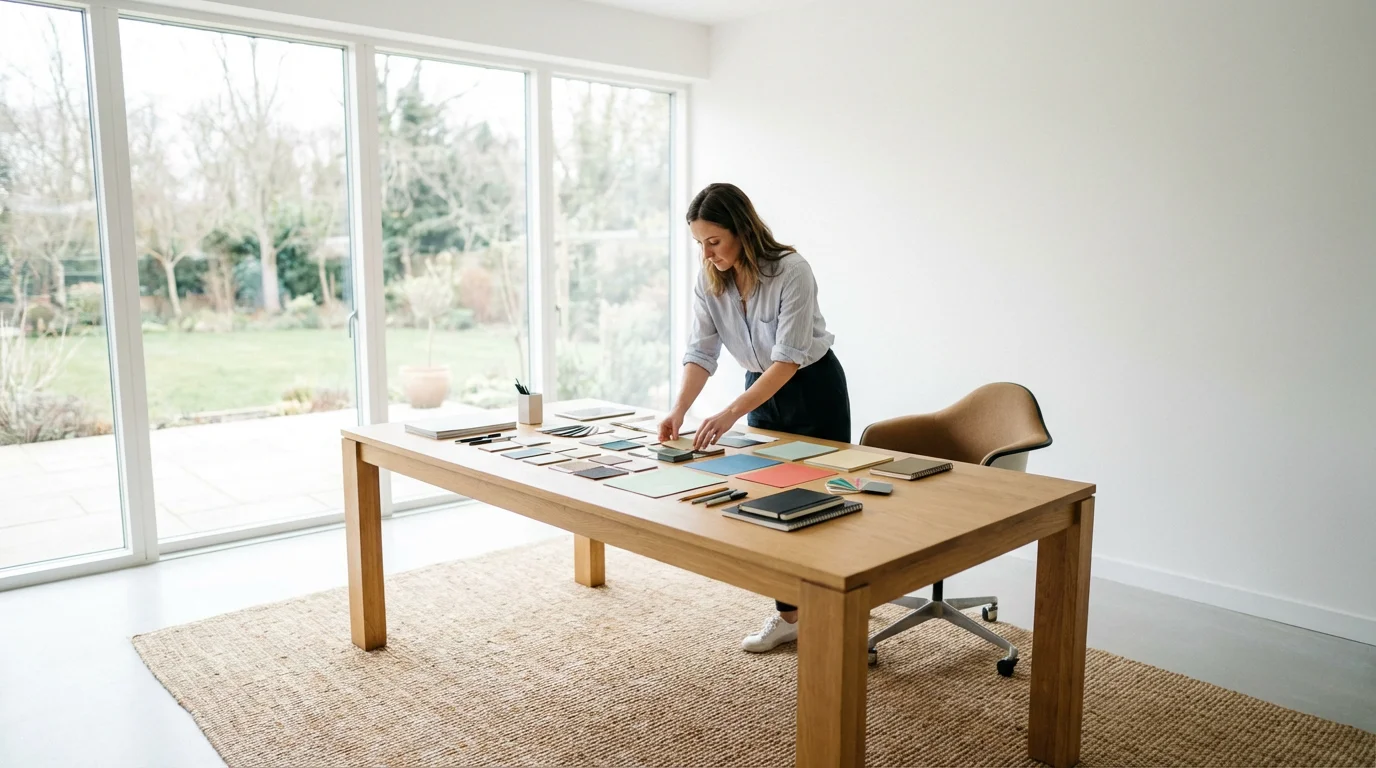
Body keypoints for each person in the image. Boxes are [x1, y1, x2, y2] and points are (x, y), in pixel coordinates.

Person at [659, 182, 851, 653]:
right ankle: (789, 616)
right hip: (759, 391)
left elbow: (787, 360)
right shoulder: (710, 280)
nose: (707, 253)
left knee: (821, 504)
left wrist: (727, 415)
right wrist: (680, 409)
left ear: (741, 230)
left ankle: (836, 619)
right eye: (699, 243)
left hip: (812, 388)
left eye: (714, 241)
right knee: (768, 501)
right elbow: (701, 352)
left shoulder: (792, 271)